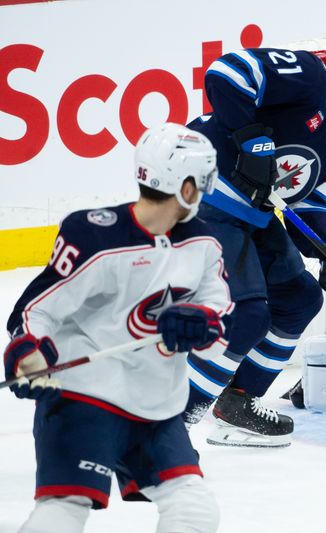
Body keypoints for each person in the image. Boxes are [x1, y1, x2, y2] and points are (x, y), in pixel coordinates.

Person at [4, 123, 231, 533]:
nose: (206, 189)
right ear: (184, 186)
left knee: (194, 510)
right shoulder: (94, 235)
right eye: (201, 180)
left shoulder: (203, 242)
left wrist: (201, 321)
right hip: (83, 398)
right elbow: (36, 310)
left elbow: (218, 309)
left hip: (156, 408)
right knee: (64, 510)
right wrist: (28, 351)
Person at [181, 31, 326, 447]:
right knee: (249, 314)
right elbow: (226, 72)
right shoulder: (309, 77)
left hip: (251, 217)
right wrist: (251, 137)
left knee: (300, 299)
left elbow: (309, 203)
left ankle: (237, 403)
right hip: (203, 196)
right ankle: (171, 425)